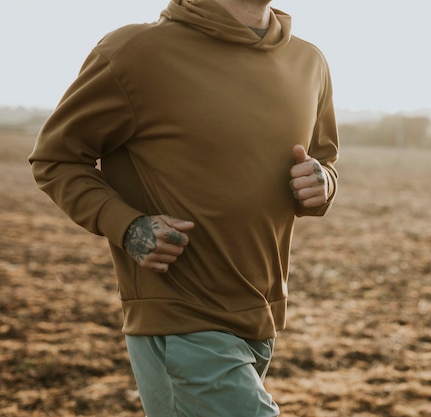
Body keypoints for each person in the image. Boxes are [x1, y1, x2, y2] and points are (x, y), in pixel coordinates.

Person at [29, 0, 339, 415]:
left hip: (262, 314)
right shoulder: (135, 51)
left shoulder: (309, 61)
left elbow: (324, 161)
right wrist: (129, 226)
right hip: (179, 316)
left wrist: (323, 184)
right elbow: (57, 159)